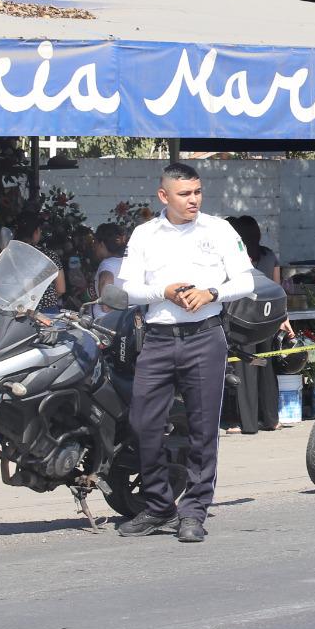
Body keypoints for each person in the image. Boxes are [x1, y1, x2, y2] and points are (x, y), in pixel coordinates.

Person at [114, 163, 256, 543]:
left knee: (203, 428)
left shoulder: (219, 230)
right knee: (143, 423)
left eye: (197, 192)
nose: (193, 200)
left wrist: (211, 292)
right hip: (158, 338)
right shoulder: (145, 234)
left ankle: (193, 511)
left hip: (205, 337)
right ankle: (159, 505)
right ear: (164, 196)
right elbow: (126, 290)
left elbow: (244, 279)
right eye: (184, 194)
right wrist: (164, 290)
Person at [226, 215, 283, 434]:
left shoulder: (237, 258)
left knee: (245, 369)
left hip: (244, 321)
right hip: (269, 319)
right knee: (266, 367)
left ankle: (247, 423)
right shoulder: (269, 256)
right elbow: (278, 289)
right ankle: (271, 419)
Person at [12, 212, 66, 314]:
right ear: (36, 232)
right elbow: (61, 289)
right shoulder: (50, 256)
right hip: (46, 311)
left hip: (17, 310)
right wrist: (44, 298)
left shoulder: (10, 254)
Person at [91, 223, 127, 317]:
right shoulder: (128, 262)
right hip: (124, 318)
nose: (94, 247)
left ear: (101, 244)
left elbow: (106, 282)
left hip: (105, 322)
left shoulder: (107, 264)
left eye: (95, 243)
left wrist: (106, 305)